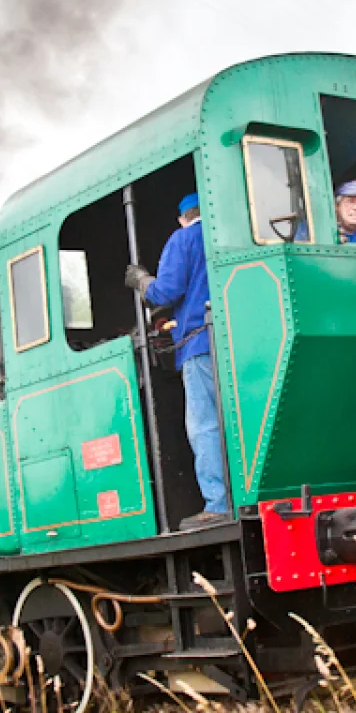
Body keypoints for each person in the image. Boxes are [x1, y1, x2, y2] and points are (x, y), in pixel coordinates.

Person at [125, 193, 232, 531]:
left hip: (199, 343)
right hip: (238, 341)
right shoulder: (228, 232)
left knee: (205, 424)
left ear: (183, 218)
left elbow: (166, 292)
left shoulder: (183, 239)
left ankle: (218, 504)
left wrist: (142, 281)